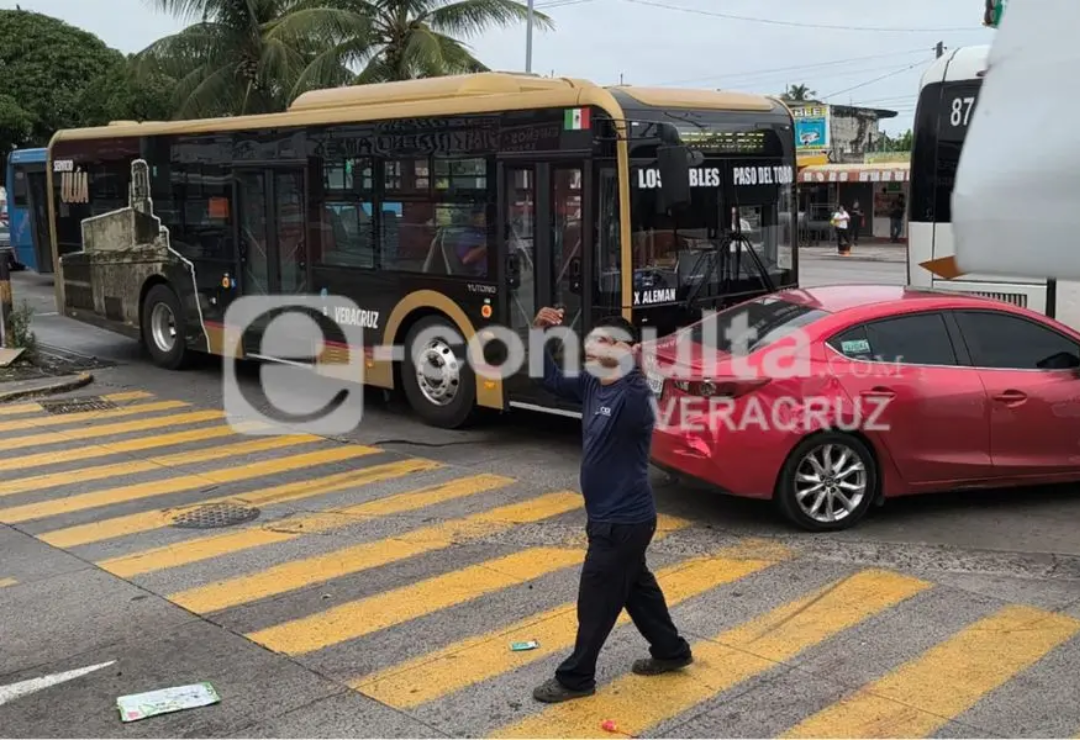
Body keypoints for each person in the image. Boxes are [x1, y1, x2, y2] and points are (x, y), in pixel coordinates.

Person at [528, 307, 693, 703]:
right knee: (637, 590)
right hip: (609, 519)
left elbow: (653, 388)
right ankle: (672, 652)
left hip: (623, 522)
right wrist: (537, 333)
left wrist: (640, 357)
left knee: (597, 600)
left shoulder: (633, 395)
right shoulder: (591, 383)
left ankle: (576, 677)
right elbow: (545, 378)